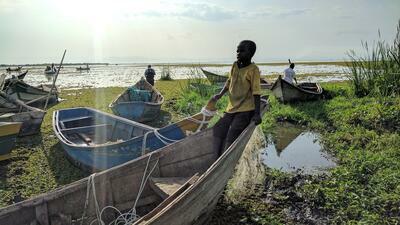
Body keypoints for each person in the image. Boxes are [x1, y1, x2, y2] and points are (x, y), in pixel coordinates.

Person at [212, 40, 262, 155]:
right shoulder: (235, 65)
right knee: (218, 128)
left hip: (245, 109)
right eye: (237, 51)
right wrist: (220, 94)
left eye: (242, 51)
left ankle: (225, 158)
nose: (238, 53)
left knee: (233, 132)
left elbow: (256, 92)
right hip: (232, 107)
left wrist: (257, 114)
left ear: (250, 54)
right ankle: (216, 154)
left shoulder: (253, 69)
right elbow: (229, 81)